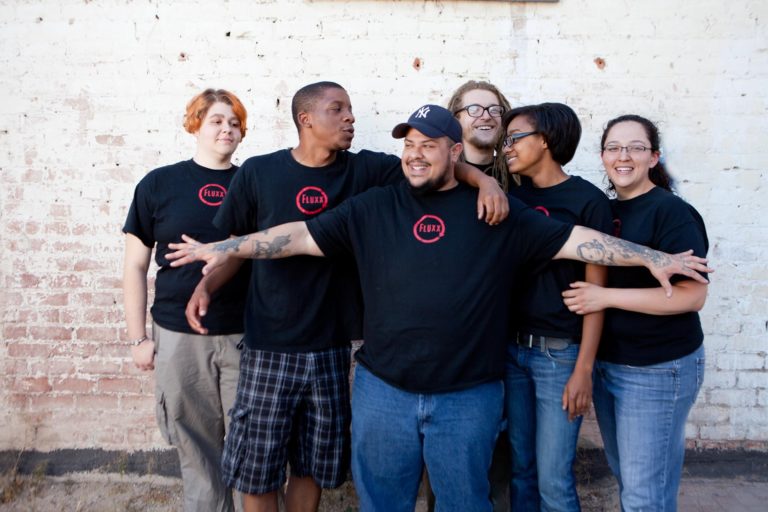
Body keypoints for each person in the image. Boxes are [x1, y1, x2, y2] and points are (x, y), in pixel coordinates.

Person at [166, 104, 711, 512]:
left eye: (430, 144)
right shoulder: (372, 205)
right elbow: (294, 237)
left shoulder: (501, 214)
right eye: (409, 144)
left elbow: (579, 242)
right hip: (383, 392)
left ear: (456, 151)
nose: (416, 153)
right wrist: (224, 247)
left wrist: (651, 257)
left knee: (462, 504)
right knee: (383, 502)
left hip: (468, 396)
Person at [184, 82, 508, 512]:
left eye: (351, 109)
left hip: (332, 347)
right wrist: (205, 285)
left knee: (313, 465)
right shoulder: (260, 172)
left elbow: (435, 162)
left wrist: (484, 179)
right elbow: (239, 245)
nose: (350, 118)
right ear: (307, 119)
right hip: (269, 344)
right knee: (258, 467)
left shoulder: (367, 172)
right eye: (338, 110)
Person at [562, 115, 709, 511]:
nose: (623, 156)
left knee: (645, 494)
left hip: (658, 367)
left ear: (653, 157)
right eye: (613, 147)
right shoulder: (602, 211)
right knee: (631, 478)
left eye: (636, 148)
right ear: (603, 156)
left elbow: (691, 297)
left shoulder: (671, 212)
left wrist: (605, 297)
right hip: (613, 363)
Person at [122, 88, 250, 512]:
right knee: (195, 443)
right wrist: (139, 337)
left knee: (250, 443)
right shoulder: (159, 184)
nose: (226, 129)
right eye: (216, 120)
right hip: (178, 335)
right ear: (195, 124)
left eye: (234, 122)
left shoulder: (254, 182)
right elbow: (135, 267)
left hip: (245, 333)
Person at [499, 103, 613, 511]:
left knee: (553, 479)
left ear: (544, 141)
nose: (506, 147)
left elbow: (595, 295)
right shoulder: (509, 197)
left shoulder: (587, 200)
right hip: (511, 352)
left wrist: (584, 368)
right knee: (522, 471)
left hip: (559, 355)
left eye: (514, 138)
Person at [446, 79, 513, 511]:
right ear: (454, 120)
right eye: (473, 109)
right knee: (450, 460)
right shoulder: (434, 177)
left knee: (504, 458)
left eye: (494, 109)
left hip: (512, 337)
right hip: (455, 344)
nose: (485, 115)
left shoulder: (521, 178)